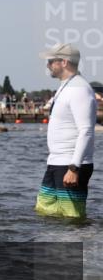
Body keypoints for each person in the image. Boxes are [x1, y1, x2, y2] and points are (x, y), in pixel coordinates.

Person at [36, 44, 96, 219]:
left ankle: (82, 237)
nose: (47, 65)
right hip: (56, 161)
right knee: (45, 211)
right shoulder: (66, 86)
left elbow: (86, 131)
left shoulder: (80, 89)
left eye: (51, 61)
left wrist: (74, 168)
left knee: (72, 218)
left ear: (64, 62)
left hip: (71, 164)